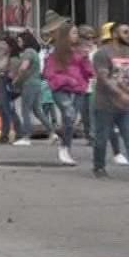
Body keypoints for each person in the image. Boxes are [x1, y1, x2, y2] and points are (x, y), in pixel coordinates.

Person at [90, 22, 129, 182]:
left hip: (128, 105)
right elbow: (104, 78)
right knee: (101, 137)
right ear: (115, 34)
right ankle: (99, 167)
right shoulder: (102, 54)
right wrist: (119, 94)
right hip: (106, 104)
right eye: (125, 32)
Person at [43, 26, 93, 165]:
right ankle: (64, 147)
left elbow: (89, 72)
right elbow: (49, 73)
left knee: (71, 119)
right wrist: (67, 80)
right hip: (61, 88)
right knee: (69, 113)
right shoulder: (55, 54)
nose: (77, 35)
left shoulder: (80, 52)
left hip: (78, 89)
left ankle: (65, 143)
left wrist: (86, 60)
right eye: (74, 32)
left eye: (77, 32)